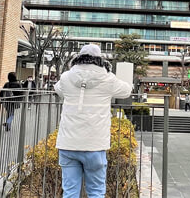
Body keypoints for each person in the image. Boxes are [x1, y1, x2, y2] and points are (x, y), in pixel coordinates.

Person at [54, 44, 132, 198]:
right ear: (99, 59)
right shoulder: (107, 78)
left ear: (79, 58)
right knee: (96, 192)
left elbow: (58, 89)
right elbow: (126, 91)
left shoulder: (66, 77)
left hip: (68, 143)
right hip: (95, 145)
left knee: (69, 192)